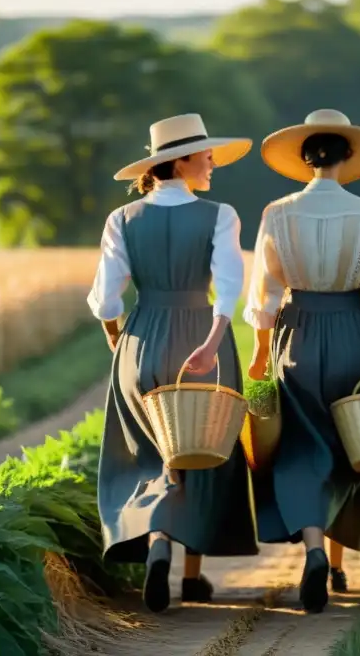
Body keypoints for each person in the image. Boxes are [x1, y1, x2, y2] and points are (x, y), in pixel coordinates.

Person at [88, 112, 259, 614]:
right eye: (206, 156)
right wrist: (210, 342)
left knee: (149, 453)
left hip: (140, 342)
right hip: (202, 340)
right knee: (202, 452)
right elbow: (228, 288)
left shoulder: (121, 219)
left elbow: (105, 301)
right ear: (179, 161)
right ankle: (190, 573)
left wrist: (121, 343)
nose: (212, 163)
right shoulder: (220, 215)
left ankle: (157, 542)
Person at [244, 108, 360, 614]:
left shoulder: (276, 213)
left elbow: (264, 294)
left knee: (300, 447)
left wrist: (259, 355)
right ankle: (337, 564)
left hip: (298, 334)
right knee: (351, 446)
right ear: (348, 157)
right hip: (355, 333)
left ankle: (314, 550)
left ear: (304, 159)